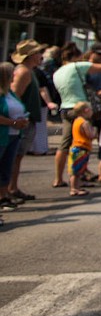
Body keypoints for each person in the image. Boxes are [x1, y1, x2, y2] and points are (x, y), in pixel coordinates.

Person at [52, 43, 101, 187]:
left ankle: (59, 178)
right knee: (82, 145)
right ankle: (78, 177)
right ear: (74, 57)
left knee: (65, 144)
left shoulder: (57, 72)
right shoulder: (76, 67)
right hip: (81, 109)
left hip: (66, 108)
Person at [9, 39, 46, 203]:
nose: (41, 56)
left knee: (18, 156)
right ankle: (10, 188)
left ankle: (13, 187)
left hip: (27, 119)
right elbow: (15, 95)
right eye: (39, 53)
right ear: (31, 56)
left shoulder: (29, 71)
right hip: (22, 120)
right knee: (14, 156)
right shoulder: (23, 72)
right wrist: (18, 118)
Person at [0, 62, 31, 210]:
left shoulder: (10, 93)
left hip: (14, 134)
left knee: (7, 166)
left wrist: (22, 120)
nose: (14, 76)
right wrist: (12, 122)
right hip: (3, 134)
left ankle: (4, 195)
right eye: (12, 73)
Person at [68, 101, 96, 196]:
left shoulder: (76, 121)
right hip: (81, 148)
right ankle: (74, 189)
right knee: (77, 171)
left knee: (75, 170)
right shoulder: (85, 123)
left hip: (75, 147)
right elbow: (90, 135)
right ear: (86, 110)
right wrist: (94, 131)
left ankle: (76, 187)